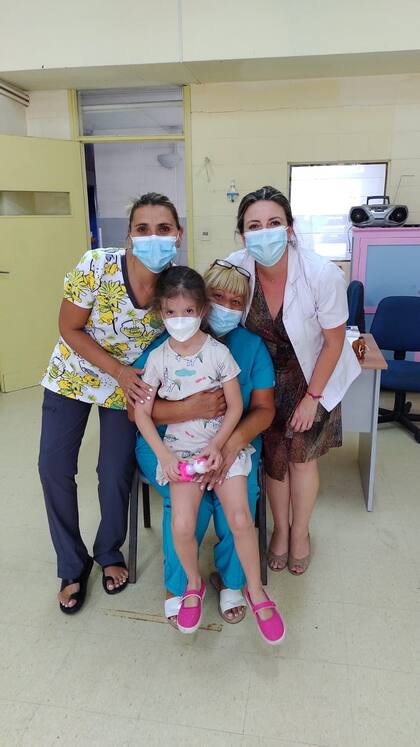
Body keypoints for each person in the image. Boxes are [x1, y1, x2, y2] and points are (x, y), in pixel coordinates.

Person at [38, 192, 183, 614]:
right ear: (129, 236)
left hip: (128, 389)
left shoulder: (175, 287)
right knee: (53, 467)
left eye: (163, 228)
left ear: (178, 235)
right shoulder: (97, 266)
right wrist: (117, 371)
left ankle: (109, 551)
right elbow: (70, 326)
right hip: (73, 375)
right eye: (143, 228)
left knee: (115, 470)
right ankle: (71, 563)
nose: (153, 236)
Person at [135, 266, 284, 644]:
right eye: (220, 298)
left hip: (227, 445)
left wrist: (224, 445)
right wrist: (179, 426)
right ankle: (188, 585)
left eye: (237, 302)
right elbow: (138, 408)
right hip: (177, 445)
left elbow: (255, 409)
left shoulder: (235, 350)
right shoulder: (159, 352)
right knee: (185, 514)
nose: (226, 308)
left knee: (239, 510)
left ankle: (245, 587)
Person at [225, 186, 361, 574]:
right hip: (262, 380)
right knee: (273, 461)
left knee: (301, 460)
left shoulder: (321, 273)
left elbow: (334, 342)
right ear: (242, 233)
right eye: (254, 225)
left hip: (311, 375)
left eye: (273, 223)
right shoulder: (235, 269)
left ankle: (299, 532)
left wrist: (312, 397)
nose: (264, 232)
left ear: (289, 228)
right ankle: (279, 531)